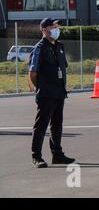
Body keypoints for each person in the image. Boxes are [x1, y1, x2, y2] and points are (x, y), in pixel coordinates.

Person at [28, 18, 75, 168]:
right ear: (43, 30)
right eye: (52, 27)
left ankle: (57, 154)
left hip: (59, 92)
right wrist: (40, 88)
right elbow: (33, 72)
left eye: (56, 26)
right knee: (41, 126)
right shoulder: (40, 48)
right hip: (46, 93)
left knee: (57, 125)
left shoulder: (59, 46)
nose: (56, 29)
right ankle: (36, 156)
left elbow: (63, 68)